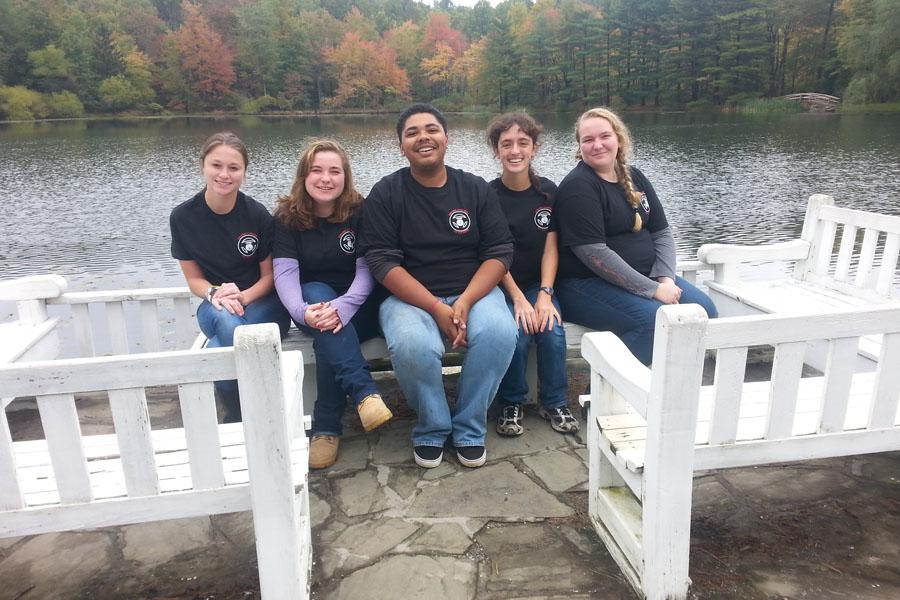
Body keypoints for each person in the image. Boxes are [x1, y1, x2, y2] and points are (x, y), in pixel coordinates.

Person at [360, 104, 517, 469]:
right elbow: (381, 262)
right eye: (412, 132)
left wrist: (464, 301)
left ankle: (469, 426)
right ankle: (432, 426)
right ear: (401, 145)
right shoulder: (386, 193)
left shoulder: (474, 189)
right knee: (415, 344)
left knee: (499, 331)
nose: (423, 137)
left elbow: (499, 252)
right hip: (408, 298)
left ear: (447, 138)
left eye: (431, 129)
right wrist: (435, 307)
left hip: (473, 292)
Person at [554, 107, 717, 365]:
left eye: (604, 136)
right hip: (585, 285)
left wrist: (665, 278)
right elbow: (594, 255)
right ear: (579, 146)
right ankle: (600, 397)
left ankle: (668, 384)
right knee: (653, 322)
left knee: (704, 311)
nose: (597, 145)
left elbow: (662, 232)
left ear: (618, 138)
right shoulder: (578, 187)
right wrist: (652, 290)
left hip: (647, 277)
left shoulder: (635, 176)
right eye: (588, 140)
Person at [272, 139, 393, 469]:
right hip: (310, 308)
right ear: (304, 176)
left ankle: (326, 428)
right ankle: (364, 393)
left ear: (345, 177)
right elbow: (284, 274)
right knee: (315, 292)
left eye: (334, 171)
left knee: (330, 332)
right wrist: (302, 312)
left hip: (362, 306)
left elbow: (367, 268)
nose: (326, 178)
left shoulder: (360, 211)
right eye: (317, 171)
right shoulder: (286, 218)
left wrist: (344, 307)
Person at [170, 132, 291, 422]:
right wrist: (215, 294)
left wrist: (242, 296)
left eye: (234, 168)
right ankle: (256, 412)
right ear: (203, 166)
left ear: (244, 173)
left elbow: (269, 278)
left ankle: (237, 415)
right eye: (216, 165)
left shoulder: (257, 215)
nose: (224, 174)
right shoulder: (183, 217)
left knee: (218, 346)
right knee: (225, 318)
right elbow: (193, 280)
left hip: (263, 303)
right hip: (214, 306)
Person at [486, 112, 577, 436]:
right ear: (496, 151)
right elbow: (494, 254)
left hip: (541, 283)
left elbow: (551, 247)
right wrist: (519, 299)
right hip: (502, 285)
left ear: (534, 148)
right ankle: (511, 402)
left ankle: (553, 400)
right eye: (506, 144)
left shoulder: (548, 193)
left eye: (522, 143)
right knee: (518, 331)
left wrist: (544, 294)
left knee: (551, 330)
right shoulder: (488, 195)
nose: (515, 151)